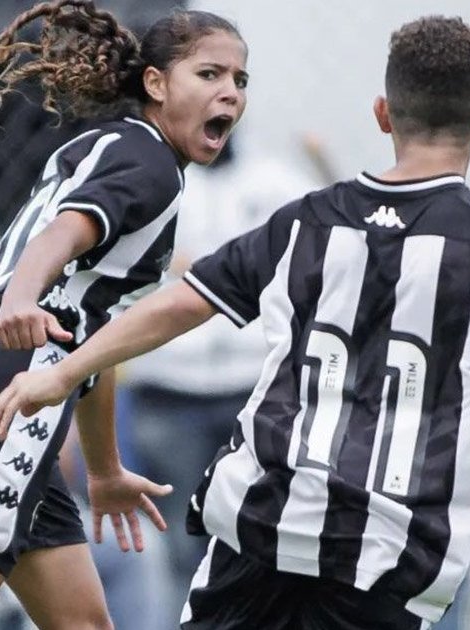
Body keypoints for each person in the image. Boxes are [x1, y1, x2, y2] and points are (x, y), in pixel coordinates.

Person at [0, 15, 470, 630]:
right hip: (386, 551)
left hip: (261, 527)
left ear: (382, 114)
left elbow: (178, 304)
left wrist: (65, 374)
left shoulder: (307, 221)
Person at [0, 2, 249, 628]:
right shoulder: (150, 168)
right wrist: (20, 297)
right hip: (11, 387)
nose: (229, 92)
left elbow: (97, 335)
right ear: (155, 83)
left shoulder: (111, 145)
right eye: (209, 74)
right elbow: (62, 235)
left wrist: (106, 468)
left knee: (85, 622)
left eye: (239, 81)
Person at [123, 136, 319, 595]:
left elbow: (336, 246)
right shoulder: (145, 183)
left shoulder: (275, 180)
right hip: (167, 388)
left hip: (256, 386)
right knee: (178, 541)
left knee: (265, 536)